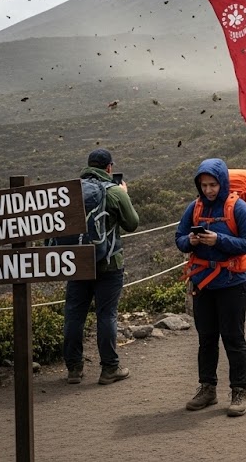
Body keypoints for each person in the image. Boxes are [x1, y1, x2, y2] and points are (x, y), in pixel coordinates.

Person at [175, 158, 246, 416]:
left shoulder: (239, 208)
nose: (209, 190)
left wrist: (218, 240)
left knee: (233, 338)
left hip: (232, 283)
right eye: (204, 185)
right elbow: (179, 239)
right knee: (206, 338)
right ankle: (207, 389)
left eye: (213, 184)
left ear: (222, 182)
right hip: (202, 283)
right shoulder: (195, 208)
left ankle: (238, 392)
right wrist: (189, 240)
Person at [63, 148, 140, 386]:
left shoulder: (70, 192)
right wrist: (123, 194)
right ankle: (109, 369)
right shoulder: (115, 191)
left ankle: (74, 369)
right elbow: (132, 223)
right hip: (109, 263)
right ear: (109, 168)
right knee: (106, 315)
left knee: (74, 315)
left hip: (77, 263)